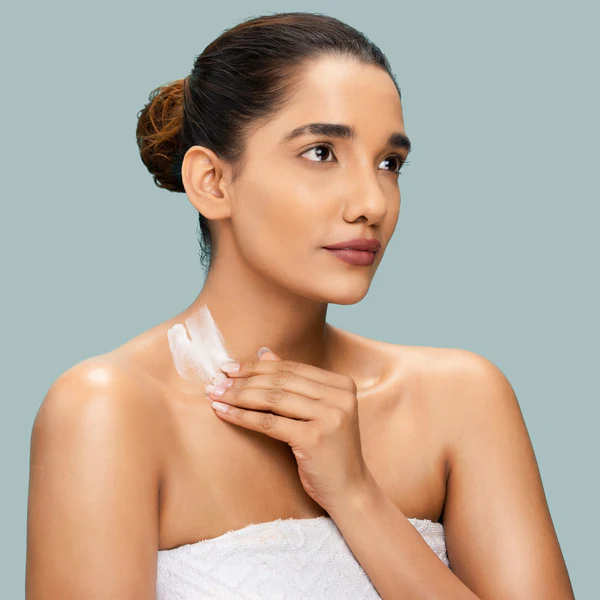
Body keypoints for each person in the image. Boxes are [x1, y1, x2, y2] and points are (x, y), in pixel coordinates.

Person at [25, 11, 574, 600]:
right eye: (320, 152)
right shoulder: (110, 412)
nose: (372, 203)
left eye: (389, 163)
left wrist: (356, 495)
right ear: (212, 181)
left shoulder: (461, 400)